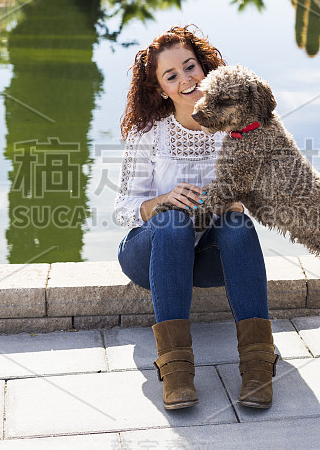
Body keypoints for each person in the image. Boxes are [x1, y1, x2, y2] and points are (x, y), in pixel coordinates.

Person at [114, 25, 278, 410]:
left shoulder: (235, 128)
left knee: (238, 225)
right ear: (160, 89)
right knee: (173, 221)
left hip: (206, 259)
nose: (186, 79)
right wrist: (163, 200)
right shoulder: (149, 135)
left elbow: (265, 193)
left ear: (204, 67)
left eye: (190, 67)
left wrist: (238, 200)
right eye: (171, 75)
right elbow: (123, 210)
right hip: (149, 252)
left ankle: (258, 366)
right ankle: (176, 374)